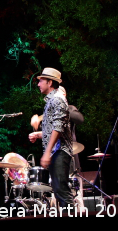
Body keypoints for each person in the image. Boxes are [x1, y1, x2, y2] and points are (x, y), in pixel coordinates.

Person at [28, 68, 73, 208]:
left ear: (50, 82)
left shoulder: (58, 99)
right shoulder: (51, 101)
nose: (38, 84)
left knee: (62, 192)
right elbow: (53, 129)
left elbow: (58, 129)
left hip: (60, 151)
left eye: (41, 80)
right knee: (59, 192)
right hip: (56, 152)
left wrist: (47, 153)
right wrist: (38, 135)